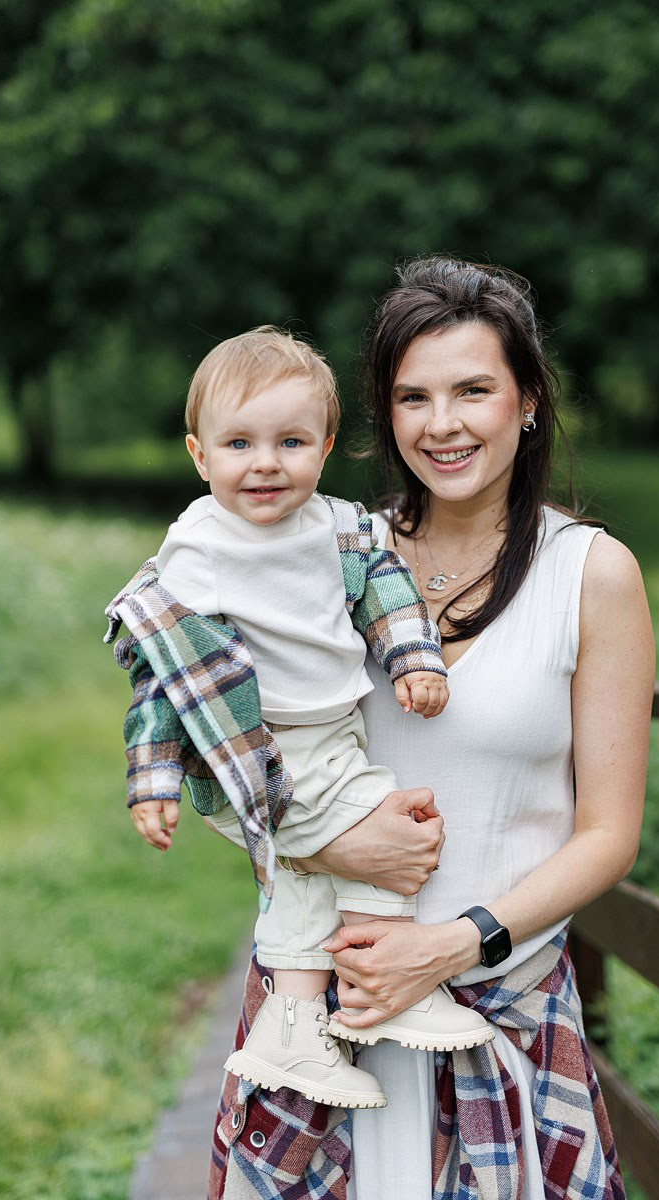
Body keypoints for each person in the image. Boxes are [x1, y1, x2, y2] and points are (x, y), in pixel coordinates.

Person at [208, 258, 655, 1200]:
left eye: (472, 390)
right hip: (331, 999)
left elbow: (609, 832)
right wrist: (325, 838)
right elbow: (238, 746)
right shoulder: (325, 555)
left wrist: (458, 942)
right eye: (413, 396)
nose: (441, 423)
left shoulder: (591, 575)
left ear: (527, 398)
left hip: (499, 1000)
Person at [115, 325, 494, 1113]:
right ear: (198, 454)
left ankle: (297, 1021)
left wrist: (414, 657)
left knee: (309, 873)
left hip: (337, 726)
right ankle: (373, 986)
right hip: (262, 741)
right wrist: (152, 777)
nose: (265, 463)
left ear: (324, 447)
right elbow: (165, 671)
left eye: (290, 441)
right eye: (239, 443)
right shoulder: (197, 547)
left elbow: (382, 589)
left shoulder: (340, 526)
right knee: (387, 827)